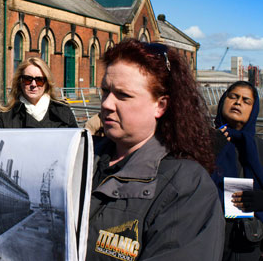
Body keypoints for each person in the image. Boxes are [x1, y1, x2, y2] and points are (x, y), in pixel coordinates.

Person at [86, 39, 225, 260]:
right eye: (105, 91)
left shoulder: (186, 187)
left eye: (123, 95)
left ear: (160, 105)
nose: (106, 104)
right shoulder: (79, 157)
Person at [211, 81, 263, 260]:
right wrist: (212, 149)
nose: (238, 102)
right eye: (233, 96)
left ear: (253, 109)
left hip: (246, 243)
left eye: (246, 100)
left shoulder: (259, 148)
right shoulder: (203, 141)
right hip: (207, 237)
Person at [0, 57, 77, 128]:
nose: (33, 84)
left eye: (39, 80)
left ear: (47, 83)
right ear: (19, 81)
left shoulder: (64, 112)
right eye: (28, 79)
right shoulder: (6, 116)